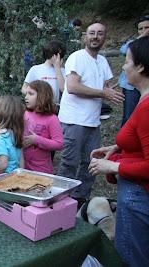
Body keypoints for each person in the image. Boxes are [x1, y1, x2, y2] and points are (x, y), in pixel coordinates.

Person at [88, 36, 149, 267]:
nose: (123, 66)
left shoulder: (147, 107)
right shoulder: (143, 100)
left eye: (127, 61)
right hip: (135, 193)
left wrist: (111, 166)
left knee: (133, 257)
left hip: (138, 196)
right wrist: (119, 146)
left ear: (141, 66)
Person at [57, 22, 124, 204]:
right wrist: (104, 93)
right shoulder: (77, 57)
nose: (95, 37)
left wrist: (110, 92)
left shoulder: (102, 61)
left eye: (100, 34)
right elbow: (71, 86)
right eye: (92, 33)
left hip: (93, 121)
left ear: (104, 37)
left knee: (91, 162)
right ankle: (61, 201)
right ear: (85, 37)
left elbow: (105, 86)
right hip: (74, 120)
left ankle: (80, 199)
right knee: (70, 163)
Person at [23, 80, 63, 174]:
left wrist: (36, 140)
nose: (26, 97)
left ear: (42, 96)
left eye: (30, 94)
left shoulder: (52, 119)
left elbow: (59, 144)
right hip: (23, 168)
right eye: (26, 94)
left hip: (42, 171)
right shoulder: (25, 114)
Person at [119, 15, 149, 126]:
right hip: (130, 86)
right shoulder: (133, 43)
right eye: (140, 29)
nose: (144, 31)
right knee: (129, 115)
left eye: (147, 28)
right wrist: (140, 39)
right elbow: (123, 50)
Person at [0, 96, 24, 176]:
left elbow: (3, 164)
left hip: (0, 181)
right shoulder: (14, 134)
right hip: (15, 178)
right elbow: (21, 162)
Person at [22, 40, 66, 105]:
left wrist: (57, 67)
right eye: (58, 55)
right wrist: (35, 95)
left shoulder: (62, 70)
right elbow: (24, 88)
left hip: (54, 106)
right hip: (38, 105)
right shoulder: (35, 69)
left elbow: (63, 89)